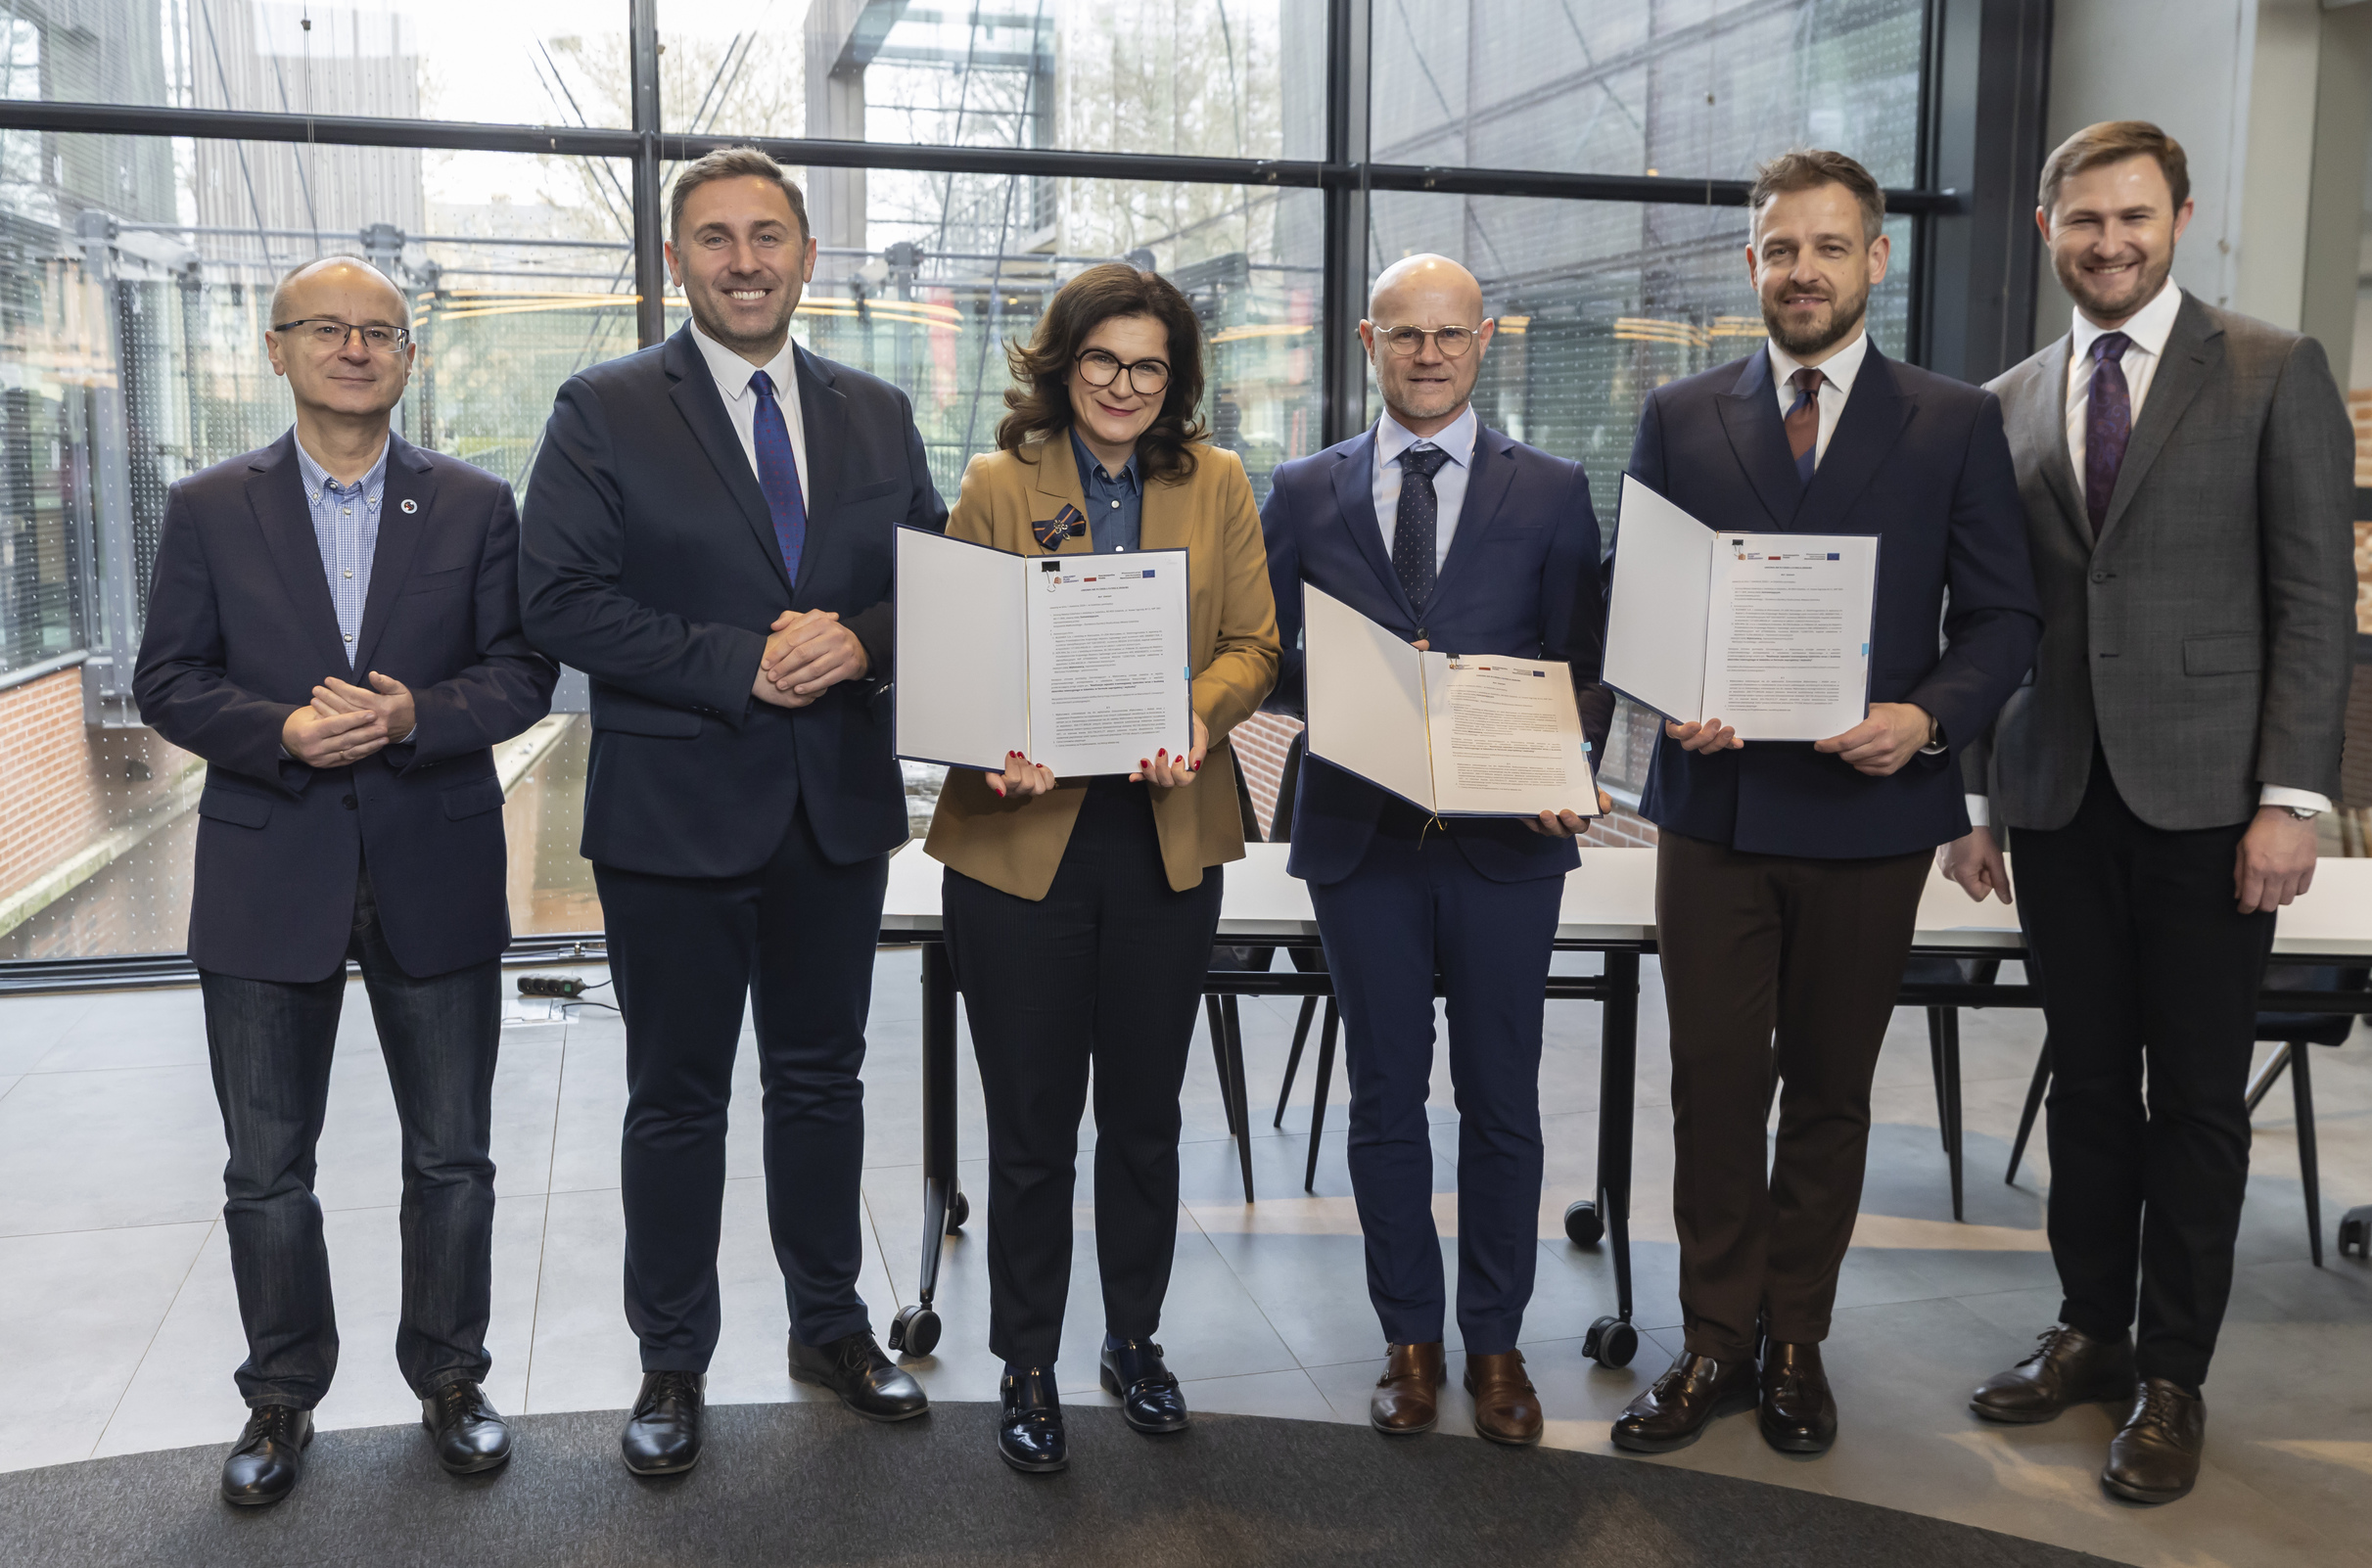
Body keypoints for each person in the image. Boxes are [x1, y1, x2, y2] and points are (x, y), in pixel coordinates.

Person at [519, 146, 948, 1476]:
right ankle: (672, 1360)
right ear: (676, 259)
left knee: (822, 1082)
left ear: (808, 257)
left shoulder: (877, 411)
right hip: (674, 811)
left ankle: (830, 1326)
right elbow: (560, 600)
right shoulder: (601, 409)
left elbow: (938, 577)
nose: (745, 260)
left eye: (769, 236)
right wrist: (740, 662)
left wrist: (863, 641)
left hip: (833, 807)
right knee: (676, 1098)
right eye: (716, 237)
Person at [1945, 121, 2354, 1504]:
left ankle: (2173, 1370)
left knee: (2193, 1096)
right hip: (2056, 794)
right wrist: (1976, 793)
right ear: (2047, 230)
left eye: (2132, 217)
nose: (2108, 241)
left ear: (2179, 218)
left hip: (2210, 805)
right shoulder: (2007, 398)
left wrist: (2290, 798)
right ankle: (2091, 1329)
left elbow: (2316, 600)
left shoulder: (2272, 369)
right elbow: (1991, 616)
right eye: (2083, 220)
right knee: (2084, 1083)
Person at [1608, 150, 2040, 1458]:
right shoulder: (1681, 413)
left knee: (1832, 1086)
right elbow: (1642, 603)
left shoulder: (1952, 421)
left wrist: (1928, 718)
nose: (1804, 270)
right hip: (1717, 808)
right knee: (1713, 1080)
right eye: (1782, 249)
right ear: (1753, 263)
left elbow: (2005, 615)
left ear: (1875, 259)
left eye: (1829, 247)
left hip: (1870, 813)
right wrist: (1675, 688)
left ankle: (1796, 1335)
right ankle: (1713, 1338)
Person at [131, 255, 559, 1506]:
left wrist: (417, 713)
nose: (355, 348)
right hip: (271, 870)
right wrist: (281, 731)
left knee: (454, 1158)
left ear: (410, 359)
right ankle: (280, 1395)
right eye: (327, 327)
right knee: (266, 1170)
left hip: (437, 859)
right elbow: (168, 680)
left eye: (380, 331)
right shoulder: (209, 506)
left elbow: (523, 671)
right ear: (277, 350)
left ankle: (452, 1378)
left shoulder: (474, 503)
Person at [924, 263, 1279, 1474]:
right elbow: (960, 656)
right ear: (1062, 364)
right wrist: (996, 740)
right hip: (1018, 845)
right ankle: (1027, 1361)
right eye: (1102, 360)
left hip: (1163, 839)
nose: (1125, 385)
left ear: (1174, 380)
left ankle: (1134, 1339)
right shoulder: (997, 482)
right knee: (1031, 1124)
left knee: (1142, 1117)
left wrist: (1193, 714)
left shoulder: (1217, 482)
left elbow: (1254, 646)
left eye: (1149, 366)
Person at [1258, 254, 1611, 1449]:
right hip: (1362, 840)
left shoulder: (1551, 489)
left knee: (1501, 1099)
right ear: (1368, 341)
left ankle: (1496, 1343)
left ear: (1483, 339)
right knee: (1384, 1097)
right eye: (1404, 333)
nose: (1427, 353)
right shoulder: (1303, 488)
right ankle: (1408, 1339)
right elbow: (1267, 651)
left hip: (1505, 843)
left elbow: (1581, 659)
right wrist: (1347, 685)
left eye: (1449, 333)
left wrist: (1566, 762)